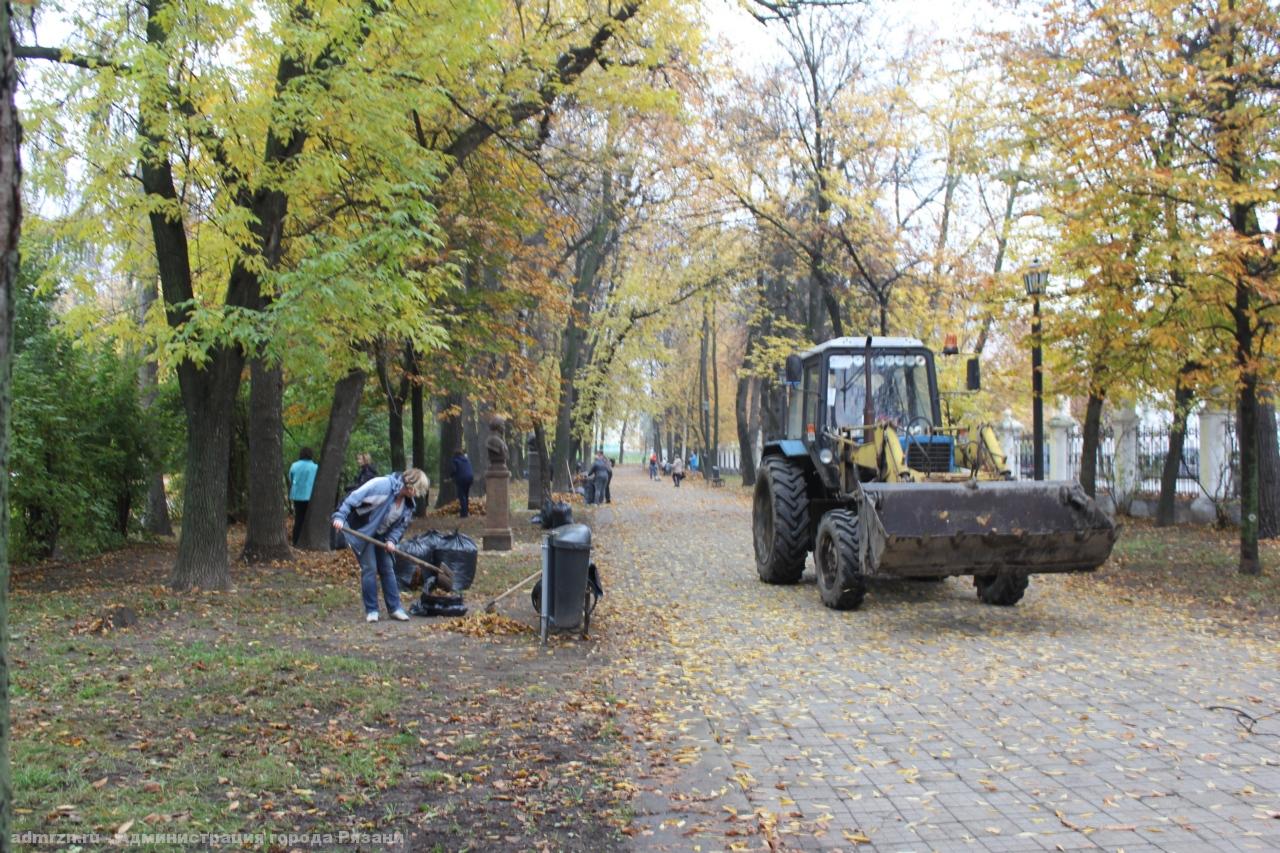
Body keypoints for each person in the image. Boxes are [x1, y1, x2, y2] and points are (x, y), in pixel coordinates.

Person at [332, 468, 429, 623]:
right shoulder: (383, 485)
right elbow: (353, 497)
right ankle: (372, 610)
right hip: (363, 530)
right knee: (370, 567)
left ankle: (395, 608)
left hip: (381, 535)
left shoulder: (409, 504)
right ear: (411, 485)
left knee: (387, 567)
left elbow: (400, 527)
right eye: (418, 490)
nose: (418, 494)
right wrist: (340, 516)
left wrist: (391, 540)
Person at [289, 447, 319, 546]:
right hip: (310, 496)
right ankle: (308, 541)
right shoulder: (315, 467)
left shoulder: (294, 465)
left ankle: (296, 540)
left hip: (297, 496)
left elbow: (291, 478)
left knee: (299, 518)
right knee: (309, 519)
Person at [450, 447, 474, 517]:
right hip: (470, 478)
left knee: (462, 496)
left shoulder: (455, 460)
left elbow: (454, 470)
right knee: (466, 495)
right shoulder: (466, 459)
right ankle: (466, 511)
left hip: (461, 479)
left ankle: (464, 514)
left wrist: (451, 476)